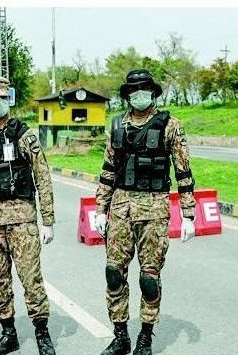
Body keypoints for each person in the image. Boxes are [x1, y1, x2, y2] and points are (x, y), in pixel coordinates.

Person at [94, 69, 196, 355]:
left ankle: (145, 338)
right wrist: (100, 209)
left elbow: (183, 171)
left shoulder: (171, 126)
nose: (139, 94)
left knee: (149, 277)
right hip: (120, 209)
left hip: (154, 209)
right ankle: (120, 336)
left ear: (152, 92)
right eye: (134, 90)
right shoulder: (116, 126)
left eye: (144, 89)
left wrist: (188, 214)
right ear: (127, 95)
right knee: (114, 273)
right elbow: (107, 171)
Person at [0, 76, 57, 355]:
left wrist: (48, 219)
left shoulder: (23, 135)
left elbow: (42, 175)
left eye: (2, 99)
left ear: (9, 100)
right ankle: (8, 334)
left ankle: (42, 332)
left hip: (21, 220)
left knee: (31, 279)